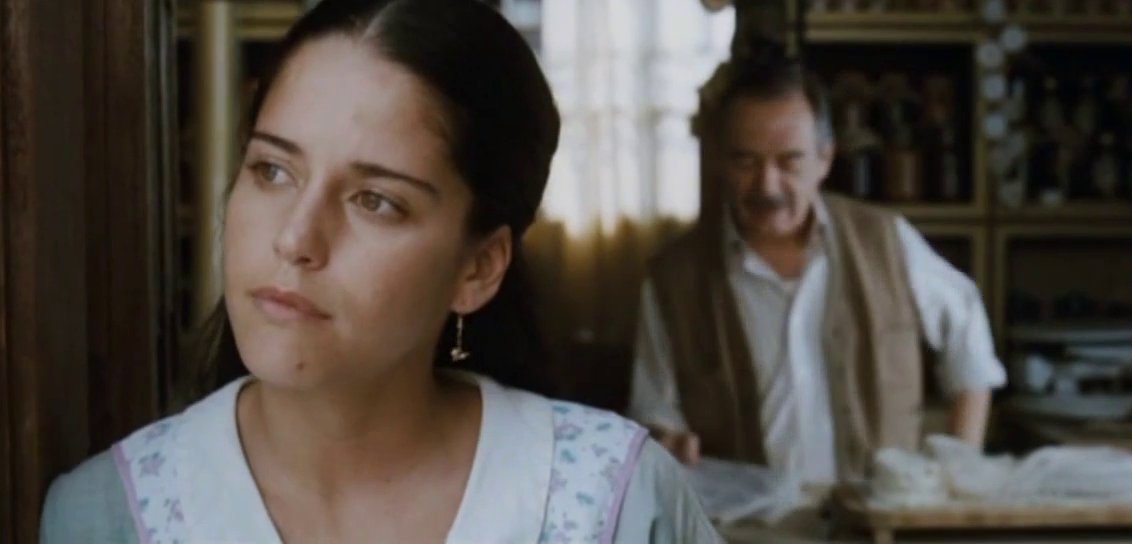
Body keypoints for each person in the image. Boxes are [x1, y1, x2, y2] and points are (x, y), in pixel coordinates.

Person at [40, 1, 720, 542]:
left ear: (478, 267)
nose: (294, 239)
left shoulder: (613, 502)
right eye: (272, 170)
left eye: (375, 201)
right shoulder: (112, 514)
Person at [628, 55, 1007, 488]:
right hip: (744, 523)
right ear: (720, 161)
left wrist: (958, 471)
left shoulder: (884, 240)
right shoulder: (674, 277)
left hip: (875, 518)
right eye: (746, 162)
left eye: (789, 162)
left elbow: (969, 340)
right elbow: (655, 412)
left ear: (825, 159)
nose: (767, 186)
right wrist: (669, 442)